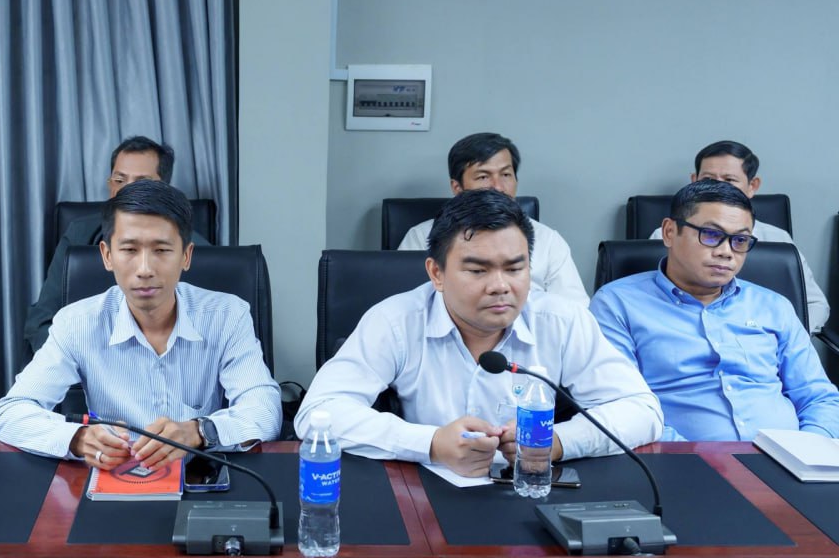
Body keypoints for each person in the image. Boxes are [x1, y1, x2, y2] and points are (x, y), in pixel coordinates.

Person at [299, 189, 660, 477]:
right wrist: (431, 443)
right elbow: (318, 412)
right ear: (437, 273)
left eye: (515, 269)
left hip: (532, 493)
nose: (500, 286)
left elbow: (641, 410)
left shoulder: (562, 320)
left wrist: (558, 441)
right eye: (478, 270)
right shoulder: (395, 321)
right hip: (425, 495)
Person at [0, 179, 280, 467]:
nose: (144, 269)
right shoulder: (77, 324)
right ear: (107, 256)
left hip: (198, 474)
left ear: (186, 256)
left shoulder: (226, 315)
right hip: (112, 474)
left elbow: (265, 411)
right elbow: (10, 413)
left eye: (161, 250)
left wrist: (198, 431)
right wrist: (78, 438)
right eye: (130, 250)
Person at [593, 180, 839, 442]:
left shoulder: (774, 306)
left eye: (740, 240)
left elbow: (818, 397)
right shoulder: (617, 304)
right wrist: (693, 458)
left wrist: (808, 449)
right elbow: (620, 405)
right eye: (710, 235)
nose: (726, 252)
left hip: (789, 458)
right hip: (677, 460)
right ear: (669, 232)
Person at [23, 135, 206, 354]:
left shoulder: (194, 247)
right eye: (119, 181)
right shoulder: (78, 235)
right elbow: (42, 319)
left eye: (141, 182)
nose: (126, 191)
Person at [648, 140, 827, 332]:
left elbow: (815, 304)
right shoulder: (668, 235)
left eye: (729, 180)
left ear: (752, 186)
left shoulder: (778, 238)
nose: (717, 187)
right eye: (708, 179)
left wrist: (785, 336)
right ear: (694, 180)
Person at [397, 132, 588, 305]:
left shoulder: (548, 240)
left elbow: (575, 311)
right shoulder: (420, 237)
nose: (498, 187)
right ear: (457, 187)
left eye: (506, 174)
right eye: (483, 177)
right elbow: (406, 305)